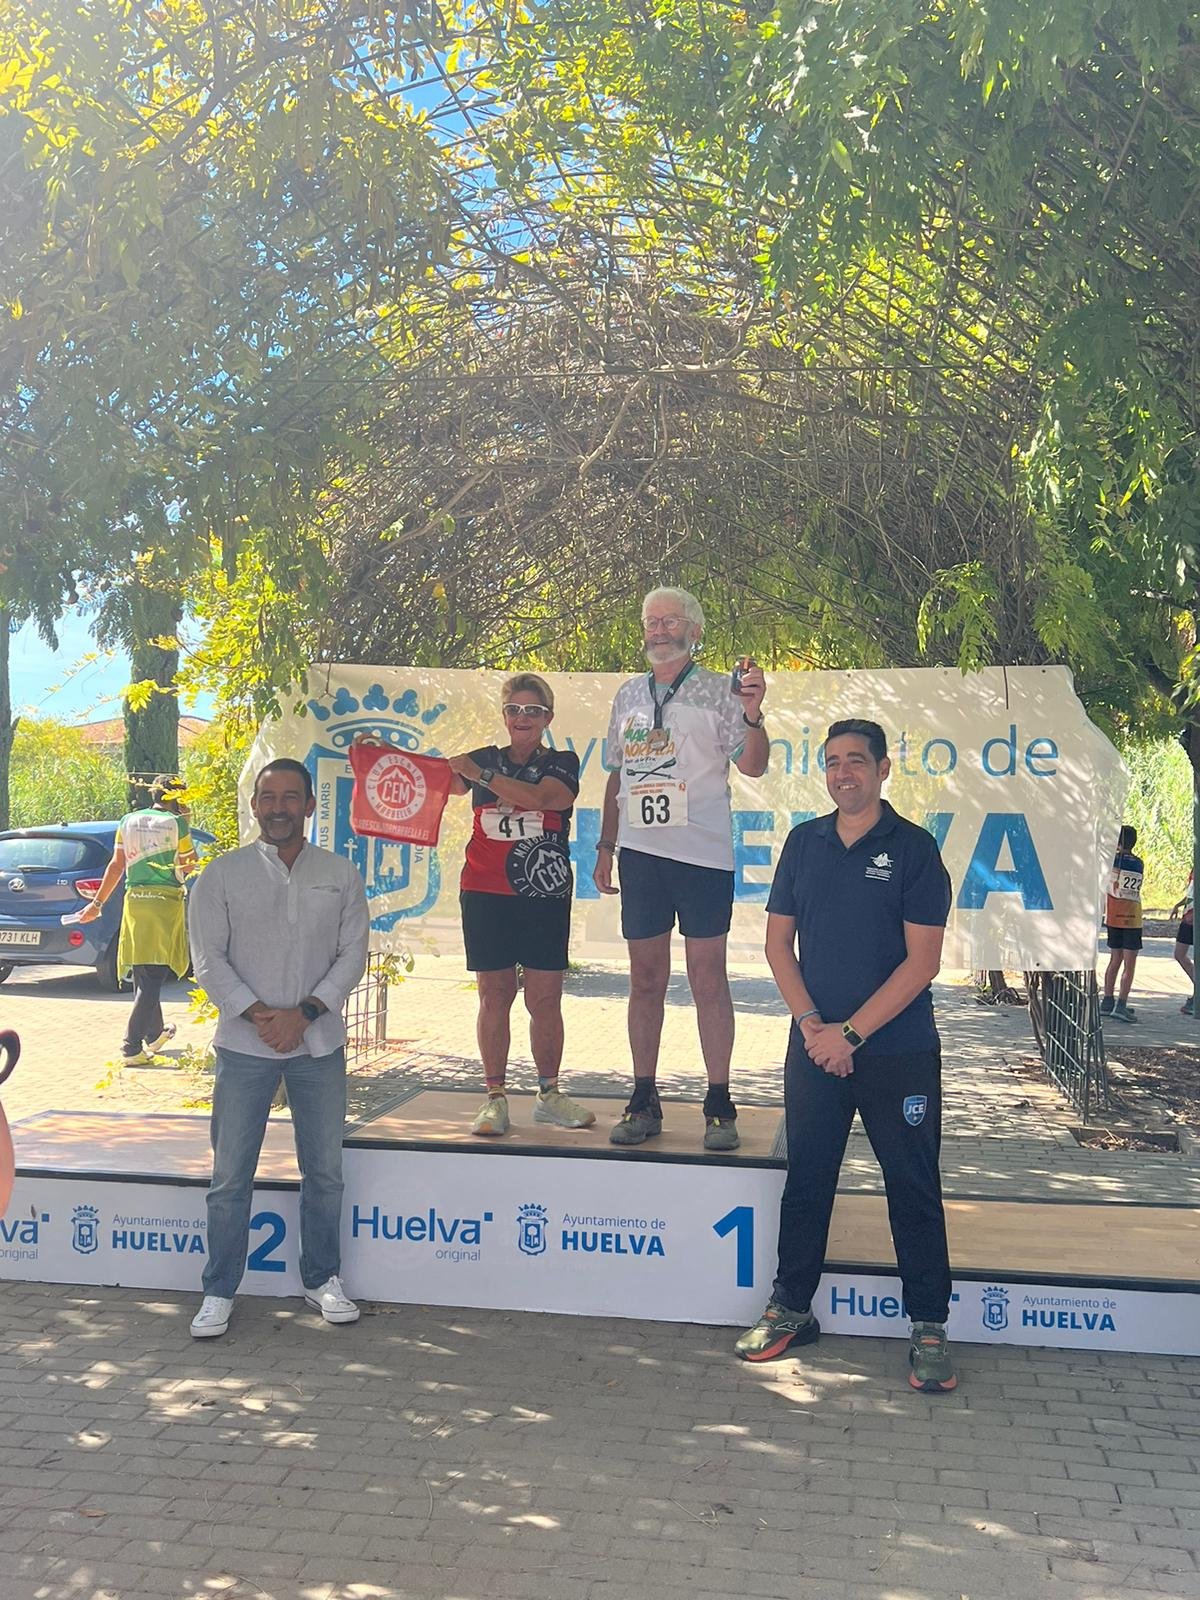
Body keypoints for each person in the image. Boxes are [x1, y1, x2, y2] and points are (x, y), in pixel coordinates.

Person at [736, 719, 958, 1394]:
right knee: (807, 1179)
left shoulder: (914, 850)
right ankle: (790, 1309)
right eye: (833, 762)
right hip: (814, 1048)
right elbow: (778, 946)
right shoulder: (804, 843)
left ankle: (928, 1325)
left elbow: (922, 963)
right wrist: (813, 1026)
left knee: (912, 1186)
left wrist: (850, 1035)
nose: (843, 773)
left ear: (884, 769)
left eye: (857, 761)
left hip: (898, 1052)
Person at [186, 758, 369, 1338]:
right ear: (254, 805)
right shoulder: (222, 876)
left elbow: (353, 954)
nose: (279, 808)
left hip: (318, 1046)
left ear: (310, 805)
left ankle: (322, 1279)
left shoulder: (340, 874)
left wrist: (305, 1014)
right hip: (245, 1047)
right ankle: (219, 1290)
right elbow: (208, 959)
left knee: (325, 1173)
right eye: (268, 797)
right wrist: (262, 1017)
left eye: (291, 797)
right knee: (230, 1177)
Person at [594, 587, 768, 1150]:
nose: (659, 630)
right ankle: (643, 1098)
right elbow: (617, 774)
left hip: (703, 855)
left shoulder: (721, 689)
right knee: (644, 979)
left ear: (694, 630)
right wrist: (605, 846)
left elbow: (755, 765)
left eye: (670, 621)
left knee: (707, 978)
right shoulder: (628, 694)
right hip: (641, 855)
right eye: (651, 621)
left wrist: (753, 713)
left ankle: (719, 1101)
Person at [446, 674, 594, 1137]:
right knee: (494, 996)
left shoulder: (561, 762)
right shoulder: (484, 758)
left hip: (542, 891)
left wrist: (483, 777)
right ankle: (495, 1097)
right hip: (484, 891)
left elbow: (544, 798)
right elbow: (436, 780)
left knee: (544, 998)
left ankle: (549, 1093)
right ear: (504, 716)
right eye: (514, 709)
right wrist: (383, 755)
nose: (522, 718)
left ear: (548, 718)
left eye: (533, 710)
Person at [78, 776, 197, 1065]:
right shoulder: (177, 823)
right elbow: (189, 865)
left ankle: (154, 1035)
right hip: (164, 903)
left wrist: (96, 904)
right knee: (154, 975)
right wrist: (186, 822)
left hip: (135, 901)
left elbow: (116, 866)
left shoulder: (128, 821)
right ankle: (131, 1047)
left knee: (144, 971)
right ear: (178, 798)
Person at [1101, 824, 1144, 1023]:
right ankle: (1121, 1004)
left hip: (1113, 916)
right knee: (1129, 963)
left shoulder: (1110, 862)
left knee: (1114, 959)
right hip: (1132, 918)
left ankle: (1107, 1001)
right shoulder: (1138, 863)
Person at [1170, 873, 1194, 1016]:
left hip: (1194, 917)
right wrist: (1178, 905)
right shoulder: (1194, 870)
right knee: (1179, 954)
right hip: (1188, 917)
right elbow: (1192, 894)